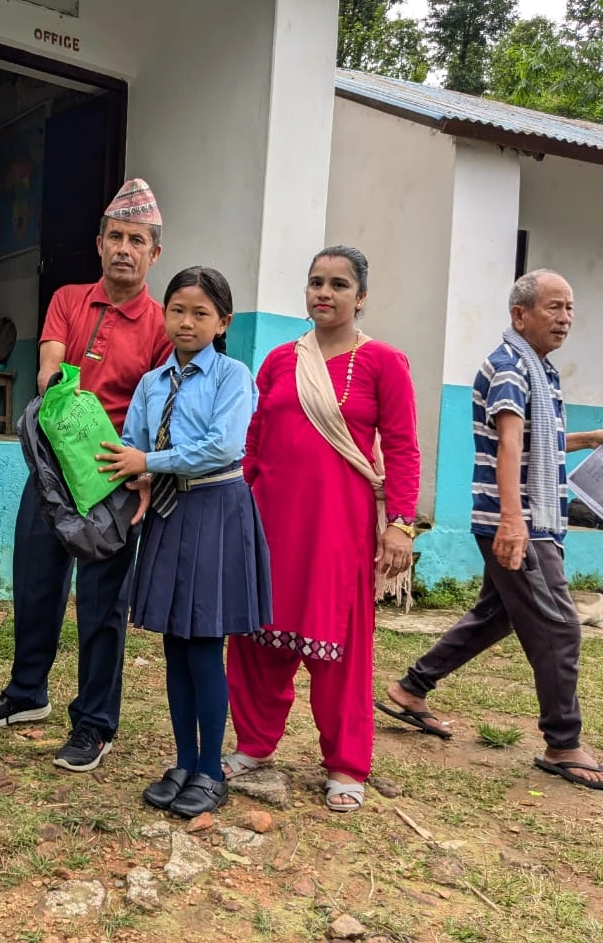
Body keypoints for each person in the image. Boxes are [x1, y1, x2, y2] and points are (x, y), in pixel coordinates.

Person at [377, 269, 603, 790]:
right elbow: (509, 445)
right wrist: (514, 521)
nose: (565, 318)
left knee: (497, 615)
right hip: (519, 522)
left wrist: (591, 438)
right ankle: (563, 743)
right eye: (554, 307)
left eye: (570, 308)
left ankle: (411, 689)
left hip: (521, 520)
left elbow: (534, 438)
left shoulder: (537, 369)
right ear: (520, 314)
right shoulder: (512, 368)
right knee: (559, 627)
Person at [0, 178, 172, 773]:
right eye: (116, 237)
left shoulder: (162, 325)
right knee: (35, 580)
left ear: (155, 253)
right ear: (100, 242)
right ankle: (26, 692)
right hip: (53, 468)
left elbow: (163, 409)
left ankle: (94, 724)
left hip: (114, 479)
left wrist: (145, 473)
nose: (124, 248)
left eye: (137, 240)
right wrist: (56, 385)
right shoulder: (68, 298)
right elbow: (48, 365)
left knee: (102, 605)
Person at [224, 246, 421, 813]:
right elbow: (255, 441)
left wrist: (400, 525)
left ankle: (345, 763)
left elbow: (403, 448)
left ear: (361, 298)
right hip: (270, 520)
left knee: (339, 644)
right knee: (257, 634)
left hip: (340, 527)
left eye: (338, 284)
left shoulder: (384, 362)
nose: (324, 293)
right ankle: (255, 744)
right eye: (316, 282)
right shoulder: (280, 361)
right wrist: (237, 508)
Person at [96, 266, 268, 816]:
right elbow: (133, 445)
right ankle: (183, 761)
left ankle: (211, 770)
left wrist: (150, 461)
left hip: (215, 511)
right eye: (176, 310)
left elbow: (222, 447)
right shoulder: (152, 383)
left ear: (223, 322)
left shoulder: (232, 377)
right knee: (174, 643)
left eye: (200, 313)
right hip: (169, 514)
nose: (186, 322)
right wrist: (136, 475)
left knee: (204, 645)